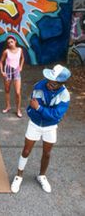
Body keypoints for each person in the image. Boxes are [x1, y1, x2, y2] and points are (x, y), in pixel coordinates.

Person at [11, 64, 71, 194]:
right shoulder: (39, 86)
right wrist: (42, 111)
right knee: (26, 151)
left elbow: (56, 115)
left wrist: (40, 108)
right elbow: (33, 109)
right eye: (49, 80)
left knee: (47, 153)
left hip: (50, 127)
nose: (49, 84)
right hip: (35, 124)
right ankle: (19, 176)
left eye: (53, 83)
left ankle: (42, 176)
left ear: (62, 83)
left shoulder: (65, 95)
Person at [0, 35, 25, 117]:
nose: (10, 44)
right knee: (7, 90)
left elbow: (22, 58)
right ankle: (8, 106)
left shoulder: (20, 50)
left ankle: (18, 109)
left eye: (11, 42)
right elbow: (1, 62)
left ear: (15, 42)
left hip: (16, 71)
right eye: (8, 43)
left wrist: (21, 66)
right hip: (8, 71)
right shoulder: (6, 51)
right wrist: (2, 71)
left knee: (17, 92)